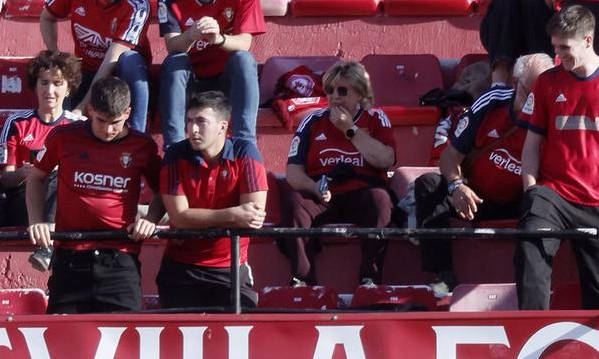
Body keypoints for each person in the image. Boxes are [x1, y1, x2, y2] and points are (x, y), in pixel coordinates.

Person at [515, 4, 599, 312]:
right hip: (554, 195)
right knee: (531, 248)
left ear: (588, 40)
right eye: (555, 48)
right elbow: (531, 143)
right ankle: (529, 330)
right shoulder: (547, 82)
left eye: (565, 47)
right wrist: (532, 191)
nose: (558, 55)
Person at [413, 55, 545, 300]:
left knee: (543, 200)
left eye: (544, 91)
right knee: (428, 185)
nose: (538, 100)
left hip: (522, 197)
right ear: (515, 84)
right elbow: (449, 157)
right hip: (475, 196)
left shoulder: (553, 110)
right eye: (532, 92)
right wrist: (457, 186)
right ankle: (442, 275)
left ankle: (534, 286)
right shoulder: (491, 103)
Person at [26, 76, 161, 313]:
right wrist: (37, 220)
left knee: (127, 341)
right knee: (60, 340)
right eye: (101, 121)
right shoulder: (64, 137)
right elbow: (37, 177)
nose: (108, 129)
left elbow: (164, 188)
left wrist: (151, 219)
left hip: (120, 259)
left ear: (128, 112)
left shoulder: (143, 146)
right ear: (90, 110)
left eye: (116, 122)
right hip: (70, 257)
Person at [276, 61, 397, 289]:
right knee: (295, 202)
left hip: (361, 191)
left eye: (343, 91)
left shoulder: (376, 118)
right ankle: (304, 280)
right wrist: (315, 188)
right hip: (323, 192)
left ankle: (369, 279)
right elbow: (293, 172)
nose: (334, 97)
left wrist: (349, 130)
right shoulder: (311, 121)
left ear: (361, 93)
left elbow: (386, 160)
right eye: (330, 90)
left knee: (381, 200)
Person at [158, 0, 266, 148]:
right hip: (191, 81)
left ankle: (246, 146)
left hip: (224, 80)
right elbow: (172, 45)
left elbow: (245, 42)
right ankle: (174, 149)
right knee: (175, 62)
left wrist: (219, 39)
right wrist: (191, 34)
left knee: (244, 60)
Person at [40, 0, 154, 133]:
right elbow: (47, 17)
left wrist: (82, 108)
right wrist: (53, 54)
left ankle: (137, 135)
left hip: (120, 77)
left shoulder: (137, 5)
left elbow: (110, 62)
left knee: (130, 59)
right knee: (57, 68)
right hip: (85, 69)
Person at [159, 92, 266, 312]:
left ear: (222, 126)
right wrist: (233, 215)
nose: (193, 129)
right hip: (181, 269)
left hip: (231, 268)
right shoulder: (175, 154)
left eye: (201, 122)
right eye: (189, 121)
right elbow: (179, 217)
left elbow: (253, 217)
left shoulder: (245, 152)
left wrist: (197, 218)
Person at [0, 50, 82, 245]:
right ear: (35, 86)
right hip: (25, 199)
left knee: (59, 176)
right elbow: (6, 180)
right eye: (44, 83)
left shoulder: (79, 126)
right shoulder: (17, 123)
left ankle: (47, 244)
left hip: (67, 202)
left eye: (57, 83)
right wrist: (25, 173)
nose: (49, 91)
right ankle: (48, 244)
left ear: (68, 89)